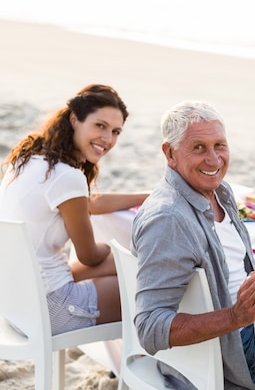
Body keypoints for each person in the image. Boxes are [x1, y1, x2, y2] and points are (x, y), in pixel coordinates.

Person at [131, 100, 255, 390]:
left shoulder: (221, 193)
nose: (213, 160)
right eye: (198, 147)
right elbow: (149, 327)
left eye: (219, 146)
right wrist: (236, 316)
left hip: (251, 329)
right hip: (235, 353)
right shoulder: (168, 219)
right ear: (170, 153)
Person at [0, 84, 147, 335]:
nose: (108, 139)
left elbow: (89, 204)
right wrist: (112, 250)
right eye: (99, 126)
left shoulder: (28, 160)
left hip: (14, 304)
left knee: (132, 266)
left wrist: (147, 197)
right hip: (49, 309)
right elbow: (89, 255)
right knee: (147, 285)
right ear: (74, 118)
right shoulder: (66, 176)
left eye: (115, 132)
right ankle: (141, 368)